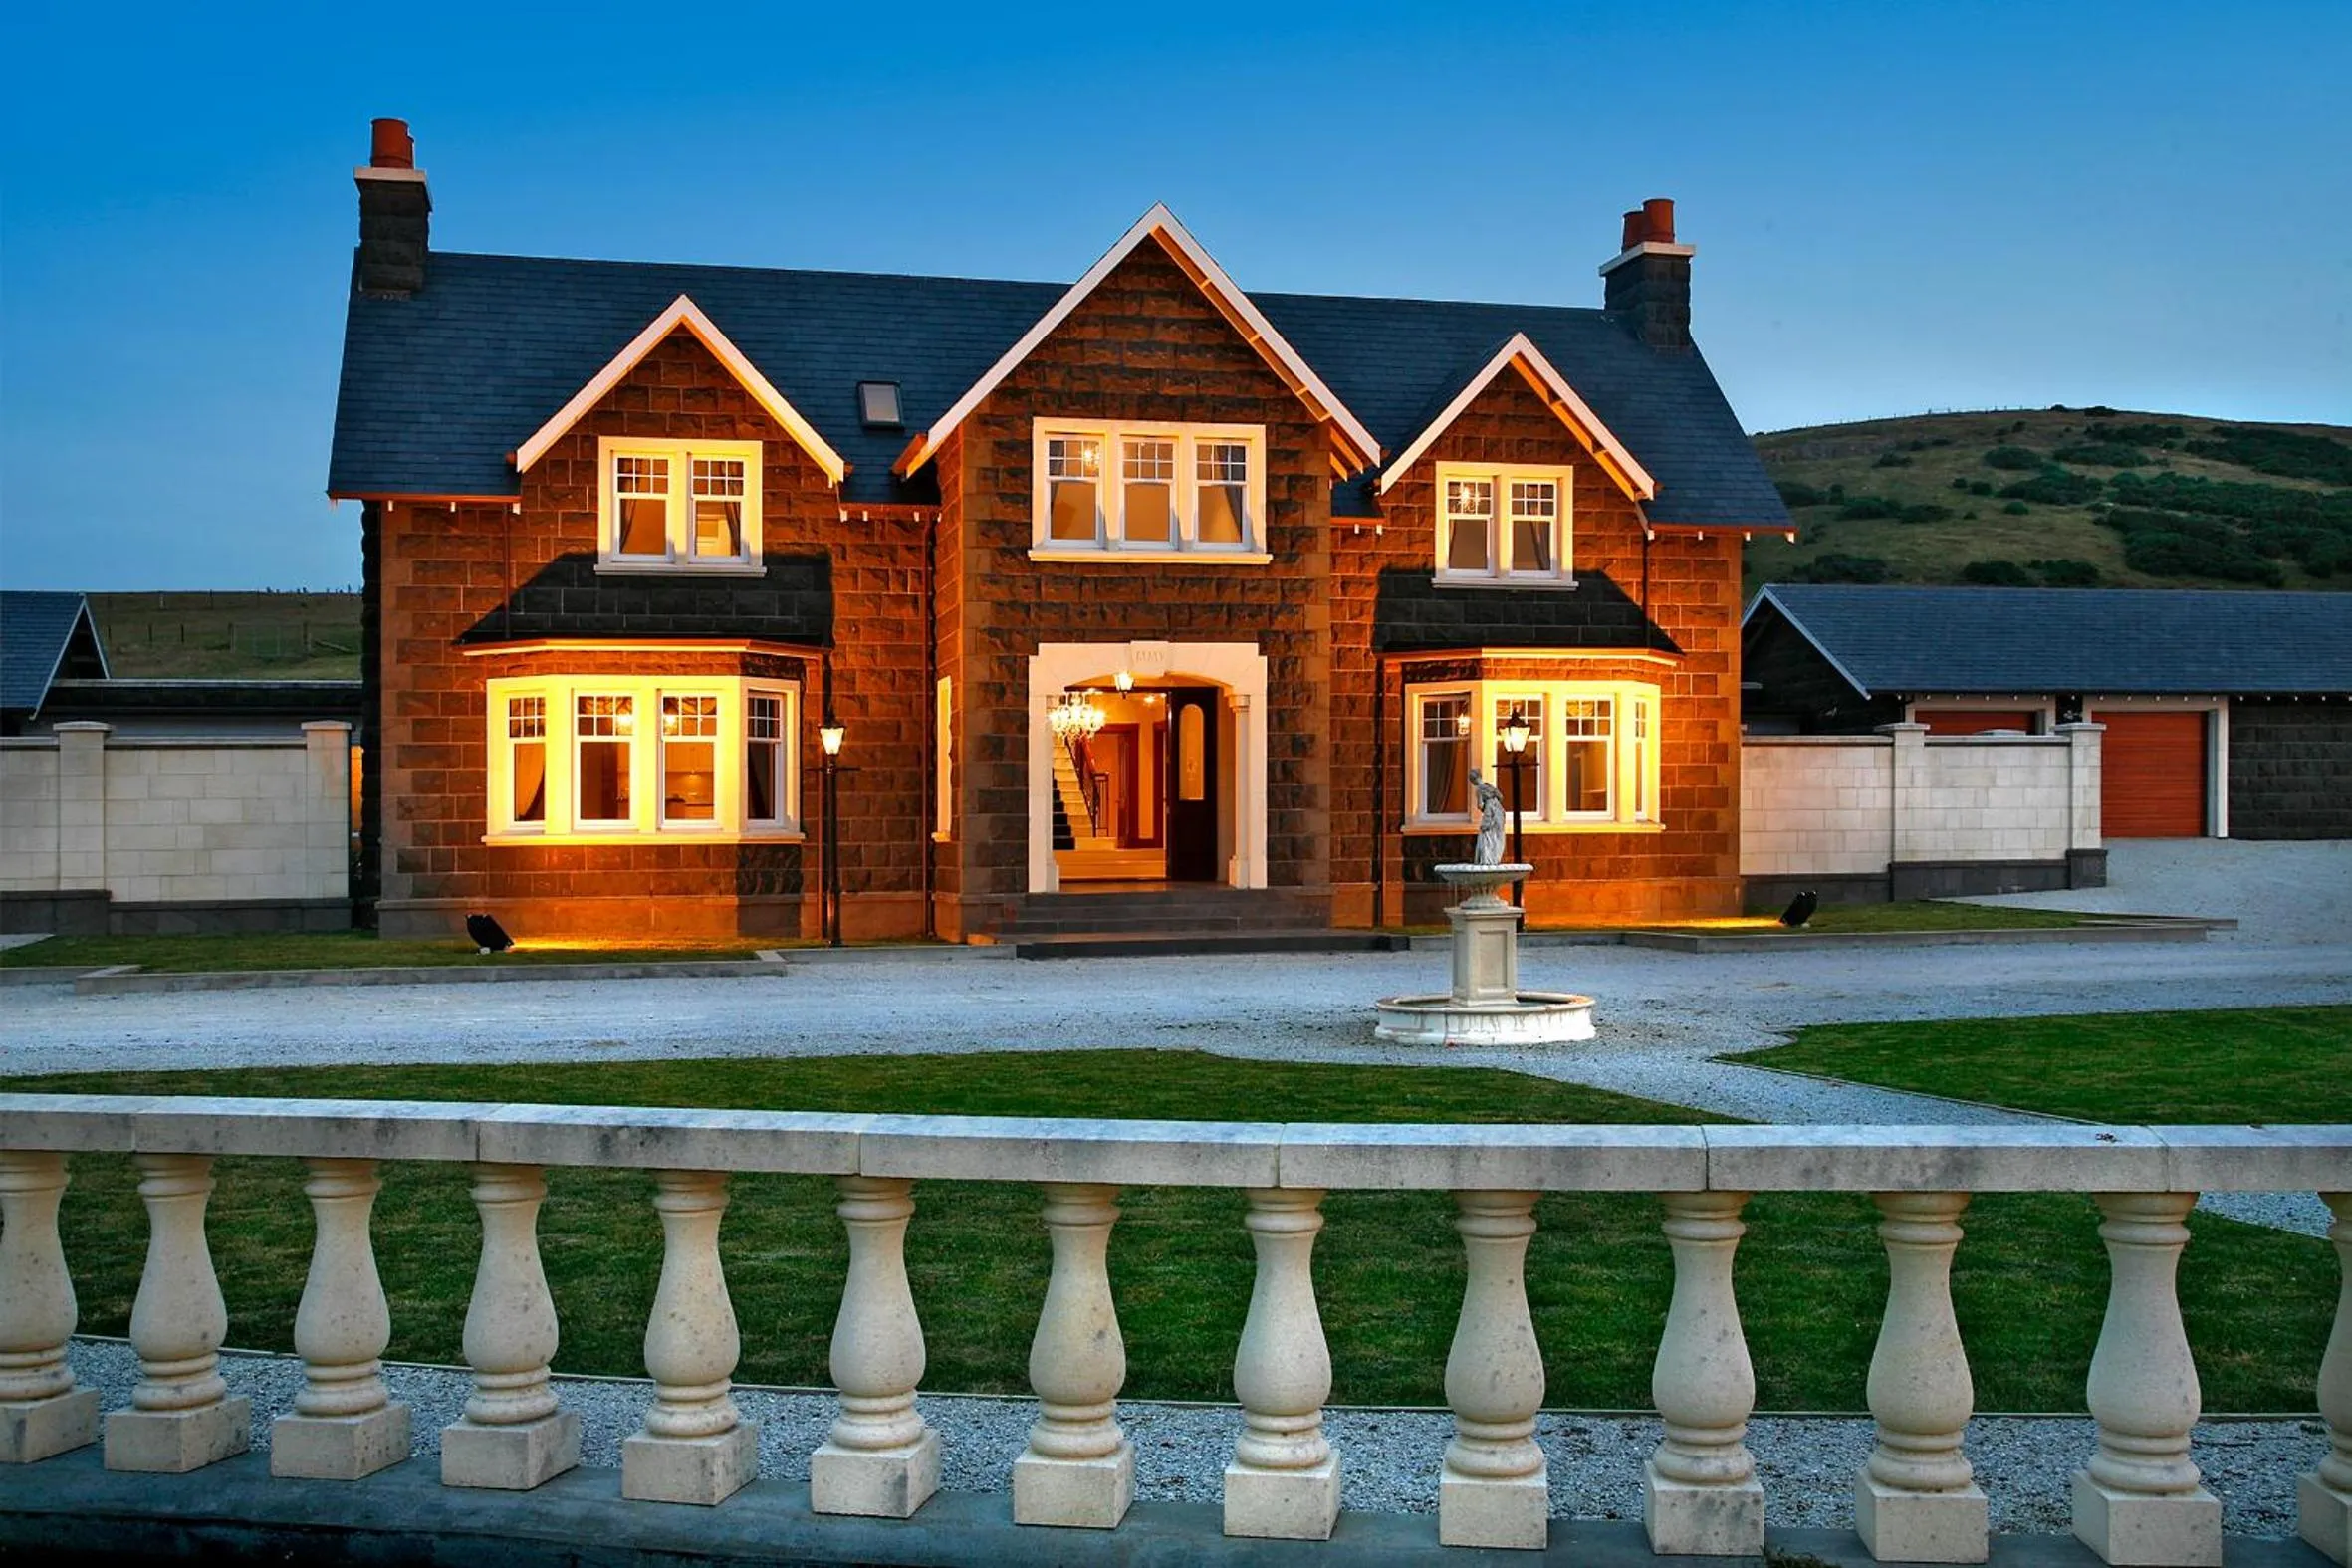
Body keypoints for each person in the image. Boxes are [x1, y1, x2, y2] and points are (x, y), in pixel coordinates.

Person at [1469, 768, 1508, 866]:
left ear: (1473, 780)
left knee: (1486, 834)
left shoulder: (1479, 790)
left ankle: (1487, 860)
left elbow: (1479, 805)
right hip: (1499, 811)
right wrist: (1494, 801)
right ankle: (1495, 858)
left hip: (1489, 811)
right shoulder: (1489, 786)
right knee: (1497, 834)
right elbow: (1500, 797)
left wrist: (1486, 806)